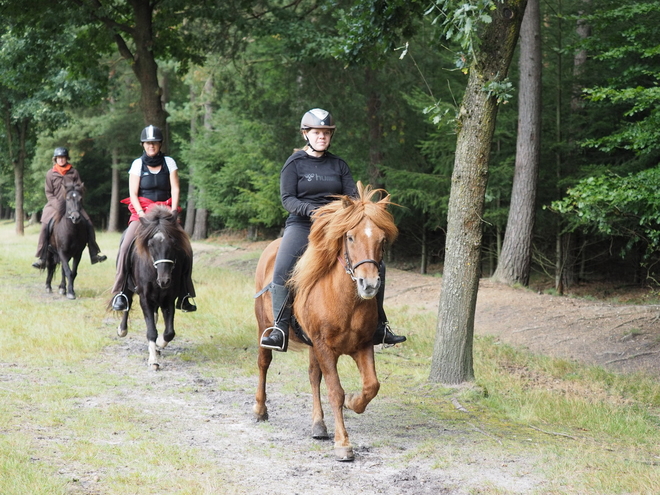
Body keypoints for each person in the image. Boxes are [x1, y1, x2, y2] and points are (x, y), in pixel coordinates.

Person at [260, 108, 406, 352]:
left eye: (326, 133)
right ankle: (279, 328)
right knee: (282, 268)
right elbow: (288, 199)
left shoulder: (339, 164)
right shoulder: (294, 163)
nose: (322, 137)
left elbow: (351, 196)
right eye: (317, 132)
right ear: (306, 134)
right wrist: (312, 211)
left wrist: (348, 214)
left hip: (337, 226)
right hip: (303, 224)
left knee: (376, 265)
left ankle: (380, 326)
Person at [110, 125, 196, 313]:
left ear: (159, 144)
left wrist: (173, 211)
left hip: (165, 213)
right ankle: (121, 292)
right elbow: (133, 193)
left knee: (186, 248)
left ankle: (185, 294)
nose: (152, 146)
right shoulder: (137, 165)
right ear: (143, 145)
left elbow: (175, 188)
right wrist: (141, 214)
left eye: (155, 143)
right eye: (148, 143)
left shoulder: (169, 162)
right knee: (125, 246)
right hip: (143, 213)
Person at [32, 147, 107, 269]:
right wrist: (56, 204)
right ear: (55, 159)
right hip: (54, 205)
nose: (61, 160)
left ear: (67, 159)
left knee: (88, 223)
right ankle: (42, 257)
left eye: (63, 157)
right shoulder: (50, 174)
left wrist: (76, 199)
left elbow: (80, 189)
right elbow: (48, 192)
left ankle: (94, 253)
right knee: (45, 225)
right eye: (59, 158)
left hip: (73, 204)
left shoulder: (74, 172)